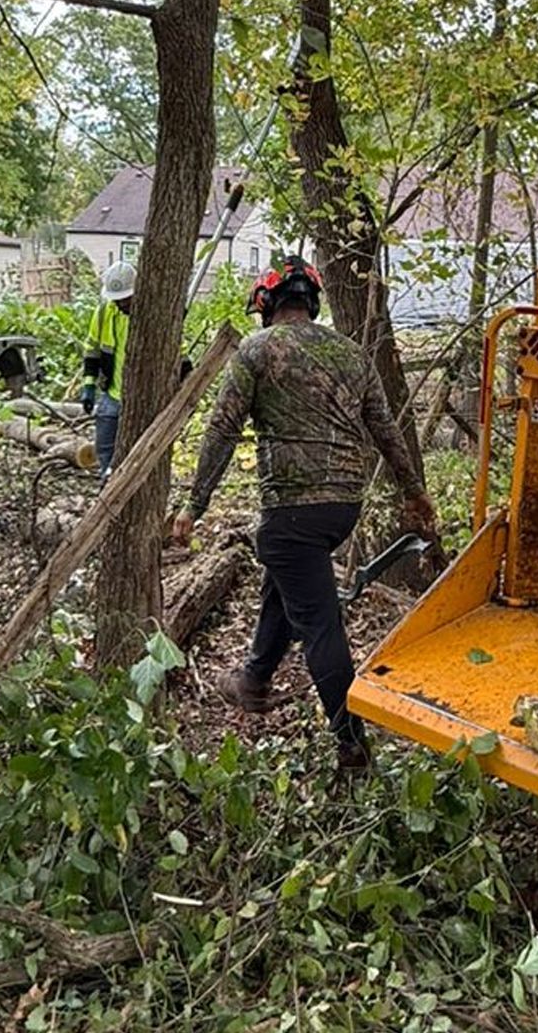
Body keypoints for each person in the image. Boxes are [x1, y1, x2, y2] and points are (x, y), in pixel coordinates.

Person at [170, 255, 436, 772]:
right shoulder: (352, 354)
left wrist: (193, 504)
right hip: (342, 508)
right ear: (311, 302)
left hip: (292, 509)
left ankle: (351, 744)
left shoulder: (256, 350)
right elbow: (386, 430)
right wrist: (414, 491)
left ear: (268, 305)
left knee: (318, 620)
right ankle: (255, 679)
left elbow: (222, 429)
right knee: (288, 577)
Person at [80, 261, 134, 477]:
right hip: (112, 393)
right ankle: (106, 484)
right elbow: (92, 350)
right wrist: (89, 386)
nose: (121, 303)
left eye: (125, 298)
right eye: (117, 299)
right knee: (105, 450)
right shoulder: (105, 313)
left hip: (141, 399)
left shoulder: (152, 314)